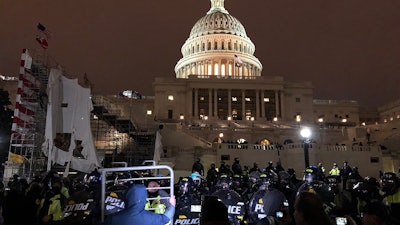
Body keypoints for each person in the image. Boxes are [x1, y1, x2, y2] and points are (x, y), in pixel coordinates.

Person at [103, 183, 176, 225]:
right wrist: (172, 205)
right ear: (144, 197)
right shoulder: (150, 218)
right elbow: (166, 218)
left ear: (127, 196)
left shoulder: (113, 218)